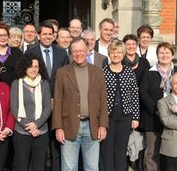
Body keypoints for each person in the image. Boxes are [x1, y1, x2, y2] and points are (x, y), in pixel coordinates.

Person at [52, 38, 108, 171]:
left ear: (88, 51)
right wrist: (58, 127)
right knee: (69, 168)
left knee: (92, 167)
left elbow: (103, 101)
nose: (78, 54)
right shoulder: (62, 72)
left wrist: (103, 125)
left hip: (92, 126)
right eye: (75, 51)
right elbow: (57, 101)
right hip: (68, 126)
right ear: (71, 53)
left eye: (81, 50)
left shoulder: (97, 72)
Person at [139, 42, 177, 171]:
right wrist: (156, 109)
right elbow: (143, 93)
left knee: (175, 152)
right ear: (157, 55)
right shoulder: (149, 72)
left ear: (172, 55)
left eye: (167, 52)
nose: (164, 55)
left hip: (175, 118)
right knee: (152, 152)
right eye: (161, 52)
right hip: (153, 118)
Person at [26, 20, 69, 171]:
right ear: (39, 35)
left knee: (56, 141)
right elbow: (27, 77)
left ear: (54, 36)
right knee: (39, 143)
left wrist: (57, 99)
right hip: (37, 103)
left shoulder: (61, 52)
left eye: (50, 34)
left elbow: (65, 78)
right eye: (44, 34)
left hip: (57, 102)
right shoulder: (30, 52)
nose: (48, 37)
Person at [100, 40, 140, 171]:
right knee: (107, 149)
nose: (116, 54)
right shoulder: (103, 72)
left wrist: (135, 117)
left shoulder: (129, 72)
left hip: (125, 116)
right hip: (107, 116)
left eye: (119, 52)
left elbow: (134, 95)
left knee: (121, 149)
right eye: (113, 52)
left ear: (123, 54)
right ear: (109, 54)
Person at [10, 52, 52, 171]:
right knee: (22, 166)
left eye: (36, 66)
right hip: (22, 132)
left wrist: (36, 124)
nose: (34, 69)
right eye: (30, 66)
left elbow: (48, 107)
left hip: (41, 131)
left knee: (39, 166)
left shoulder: (44, 84)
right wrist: (29, 126)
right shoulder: (16, 84)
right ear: (24, 67)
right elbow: (14, 108)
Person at [122, 34, 150, 170]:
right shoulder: (120, 60)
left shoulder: (144, 62)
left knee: (139, 138)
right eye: (128, 44)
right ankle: (126, 163)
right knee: (125, 136)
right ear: (124, 46)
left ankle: (138, 165)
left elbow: (148, 82)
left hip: (141, 103)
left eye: (133, 44)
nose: (131, 47)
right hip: (125, 103)